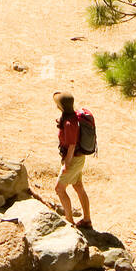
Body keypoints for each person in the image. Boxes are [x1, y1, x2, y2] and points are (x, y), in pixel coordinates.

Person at [53, 91, 91, 227]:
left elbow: (72, 145)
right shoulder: (72, 117)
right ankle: (87, 220)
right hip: (79, 159)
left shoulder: (70, 123)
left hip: (73, 160)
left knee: (59, 189)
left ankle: (69, 220)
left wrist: (66, 165)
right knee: (78, 186)